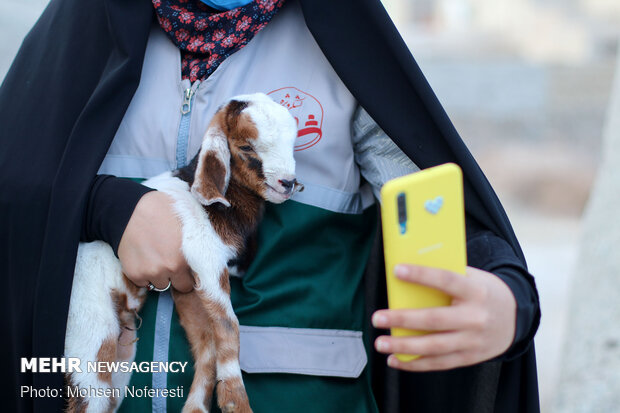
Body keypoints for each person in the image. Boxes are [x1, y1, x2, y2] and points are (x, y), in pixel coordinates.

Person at [0, 0, 540, 412]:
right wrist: (106, 207)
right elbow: (16, 181)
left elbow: (439, 214)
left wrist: (510, 297)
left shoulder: (342, 46)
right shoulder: (83, 38)